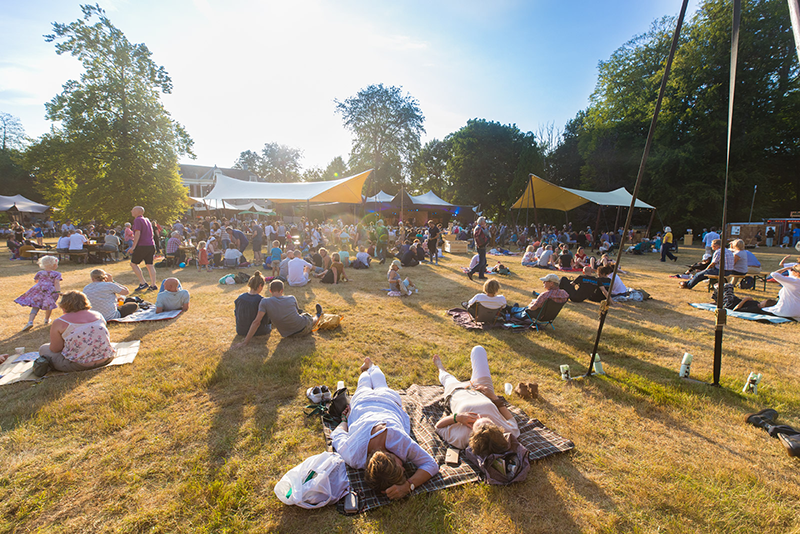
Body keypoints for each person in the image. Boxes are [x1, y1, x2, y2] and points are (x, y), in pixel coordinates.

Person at [331, 357, 439, 498]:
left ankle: (369, 367)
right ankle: (368, 368)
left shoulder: (397, 441)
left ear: (391, 456)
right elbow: (338, 433)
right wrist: (344, 420)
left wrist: (408, 485)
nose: (404, 466)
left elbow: (431, 464)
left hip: (379, 402)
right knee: (370, 385)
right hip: (372, 402)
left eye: (401, 468)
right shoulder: (353, 456)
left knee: (369, 384)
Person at [432, 347, 519, 455]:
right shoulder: (508, 431)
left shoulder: (461, 438)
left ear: (473, 434)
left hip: (457, 391)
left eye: (477, 422)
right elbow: (510, 418)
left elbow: (438, 426)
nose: (480, 416)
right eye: (489, 421)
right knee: (478, 350)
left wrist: (457, 417)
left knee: (447, 379)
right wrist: (493, 396)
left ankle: (441, 369)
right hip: (483, 389)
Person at [36, 291, 115, 373]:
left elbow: (55, 349)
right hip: (106, 358)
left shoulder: (60, 322)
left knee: (43, 348)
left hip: (78, 364)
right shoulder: (98, 315)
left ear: (64, 305)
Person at [234, 279, 322, 345]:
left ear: (270, 291)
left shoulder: (264, 302)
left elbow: (256, 322)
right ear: (282, 290)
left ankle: (316, 317)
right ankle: (318, 316)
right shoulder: (291, 298)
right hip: (302, 328)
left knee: (302, 317)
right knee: (308, 317)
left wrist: (245, 342)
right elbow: (297, 312)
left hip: (287, 334)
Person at [15, 255, 62, 331]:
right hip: (50, 291)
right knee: (49, 304)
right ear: (54, 265)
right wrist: (58, 291)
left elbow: (36, 281)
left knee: (35, 305)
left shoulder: (40, 273)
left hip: (39, 290)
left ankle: (30, 321)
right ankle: (46, 319)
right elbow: (56, 283)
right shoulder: (57, 274)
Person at [128, 206, 158, 291]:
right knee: (150, 265)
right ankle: (153, 285)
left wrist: (133, 247)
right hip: (150, 244)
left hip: (142, 245)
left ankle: (142, 283)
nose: (131, 211)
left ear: (138, 212)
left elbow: (137, 233)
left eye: (133, 210)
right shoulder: (147, 220)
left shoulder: (137, 220)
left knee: (133, 264)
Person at [234, 271, 271, 338]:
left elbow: (236, 314)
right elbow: (265, 320)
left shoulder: (240, 298)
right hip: (259, 331)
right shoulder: (262, 300)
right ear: (260, 286)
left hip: (241, 330)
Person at [467, 216, 489, 281]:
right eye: (484, 221)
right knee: (482, 262)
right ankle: (471, 272)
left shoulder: (477, 227)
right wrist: (485, 228)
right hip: (481, 246)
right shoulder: (480, 228)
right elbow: (487, 234)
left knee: (484, 261)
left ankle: (481, 275)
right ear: (482, 222)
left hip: (480, 246)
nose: (485, 222)